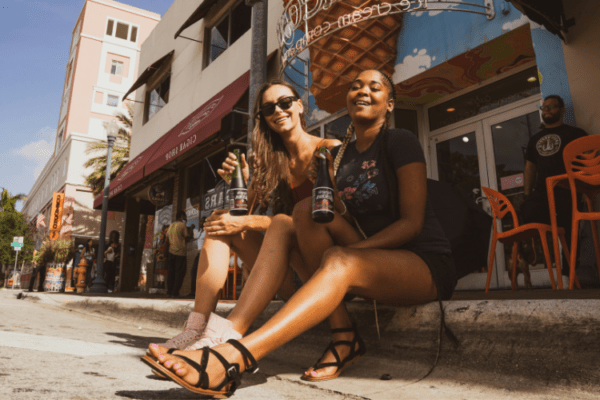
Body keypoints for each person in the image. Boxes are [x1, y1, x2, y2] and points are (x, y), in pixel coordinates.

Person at [147, 70, 457, 396]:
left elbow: (411, 223)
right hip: (339, 262)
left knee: (320, 240)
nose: (362, 92)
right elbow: (332, 216)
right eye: (355, 86)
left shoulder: (385, 143)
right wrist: (242, 182)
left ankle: (230, 356)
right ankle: (206, 332)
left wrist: (354, 246)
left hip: (415, 260)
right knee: (278, 216)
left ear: (391, 103)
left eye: (374, 87)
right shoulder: (340, 158)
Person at [148, 79, 339, 353]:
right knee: (220, 220)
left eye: (285, 103)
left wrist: (248, 221)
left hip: (324, 273)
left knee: (282, 221)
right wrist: (244, 182)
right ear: (263, 118)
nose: (278, 111)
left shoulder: (327, 149)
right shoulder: (271, 161)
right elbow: (240, 217)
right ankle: (195, 330)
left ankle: (225, 335)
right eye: (269, 108)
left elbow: (327, 219)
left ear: (299, 105)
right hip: (289, 275)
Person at [521, 95, 587, 270]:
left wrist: (584, 190)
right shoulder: (535, 139)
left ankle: (567, 273)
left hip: (569, 191)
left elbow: (587, 162)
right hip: (542, 192)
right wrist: (527, 194)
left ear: (562, 109)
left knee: (570, 232)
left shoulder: (576, 134)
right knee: (526, 217)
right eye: (544, 107)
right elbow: (529, 168)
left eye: (551, 106)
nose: (547, 110)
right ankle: (530, 261)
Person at [166, 211, 193, 298]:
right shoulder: (182, 225)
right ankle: (175, 293)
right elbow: (187, 237)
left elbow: (167, 239)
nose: (185, 218)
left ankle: (169, 292)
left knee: (171, 273)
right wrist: (191, 229)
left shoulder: (171, 225)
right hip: (180, 252)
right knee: (180, 273)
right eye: (185, 216)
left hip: (171, 252)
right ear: (182, 216)